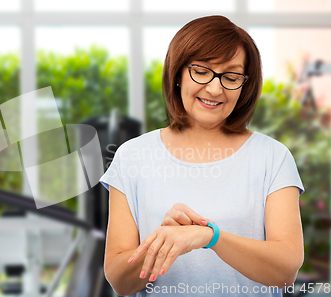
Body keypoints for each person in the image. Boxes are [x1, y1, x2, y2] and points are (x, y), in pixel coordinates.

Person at [99, 15, 305, 297]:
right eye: (202, 71)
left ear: (244, 86)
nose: (215, 88)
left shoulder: (273, 157)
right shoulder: (132, 156)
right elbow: (120, 282)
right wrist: (162, 243)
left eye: (231, 77)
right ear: (177, 74)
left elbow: (285, 272)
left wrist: (209, 237)